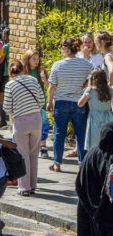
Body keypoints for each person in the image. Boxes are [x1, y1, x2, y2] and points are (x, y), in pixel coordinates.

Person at [75, 121, 113, 236]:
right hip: (108, 211)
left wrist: (91, 207)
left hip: (88, 208)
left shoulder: (91, 154)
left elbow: (80, 182)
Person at [48, 37, 94, 172]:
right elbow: (90, 81)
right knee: (81, 134)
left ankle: (57, 163)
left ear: (67, 48)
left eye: (62, 47)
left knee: (59, 133)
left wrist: (49, 102)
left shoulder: (57, 65)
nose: (61, 49)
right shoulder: (86, 64)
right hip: (79, 102)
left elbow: (52, 86)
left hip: (61, 102)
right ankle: (82, 163)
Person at [4, 59, 45, 196]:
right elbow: (41, 100)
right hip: (36, 118)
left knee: (22, 155)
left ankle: (24, 188)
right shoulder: (33, 80)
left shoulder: (10, 85)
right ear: (22, 68)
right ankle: (33, 185)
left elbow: (7, 107)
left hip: (20, 121)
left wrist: (15, 112)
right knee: (34, 154)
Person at [80, 68, 113, 154]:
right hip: (108, 117)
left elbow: (80, 103)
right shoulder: (110, 90)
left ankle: (95, 163)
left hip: (94, 119)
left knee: (95, 144)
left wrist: (85, 90)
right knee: (108, 143)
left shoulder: (90, 90)